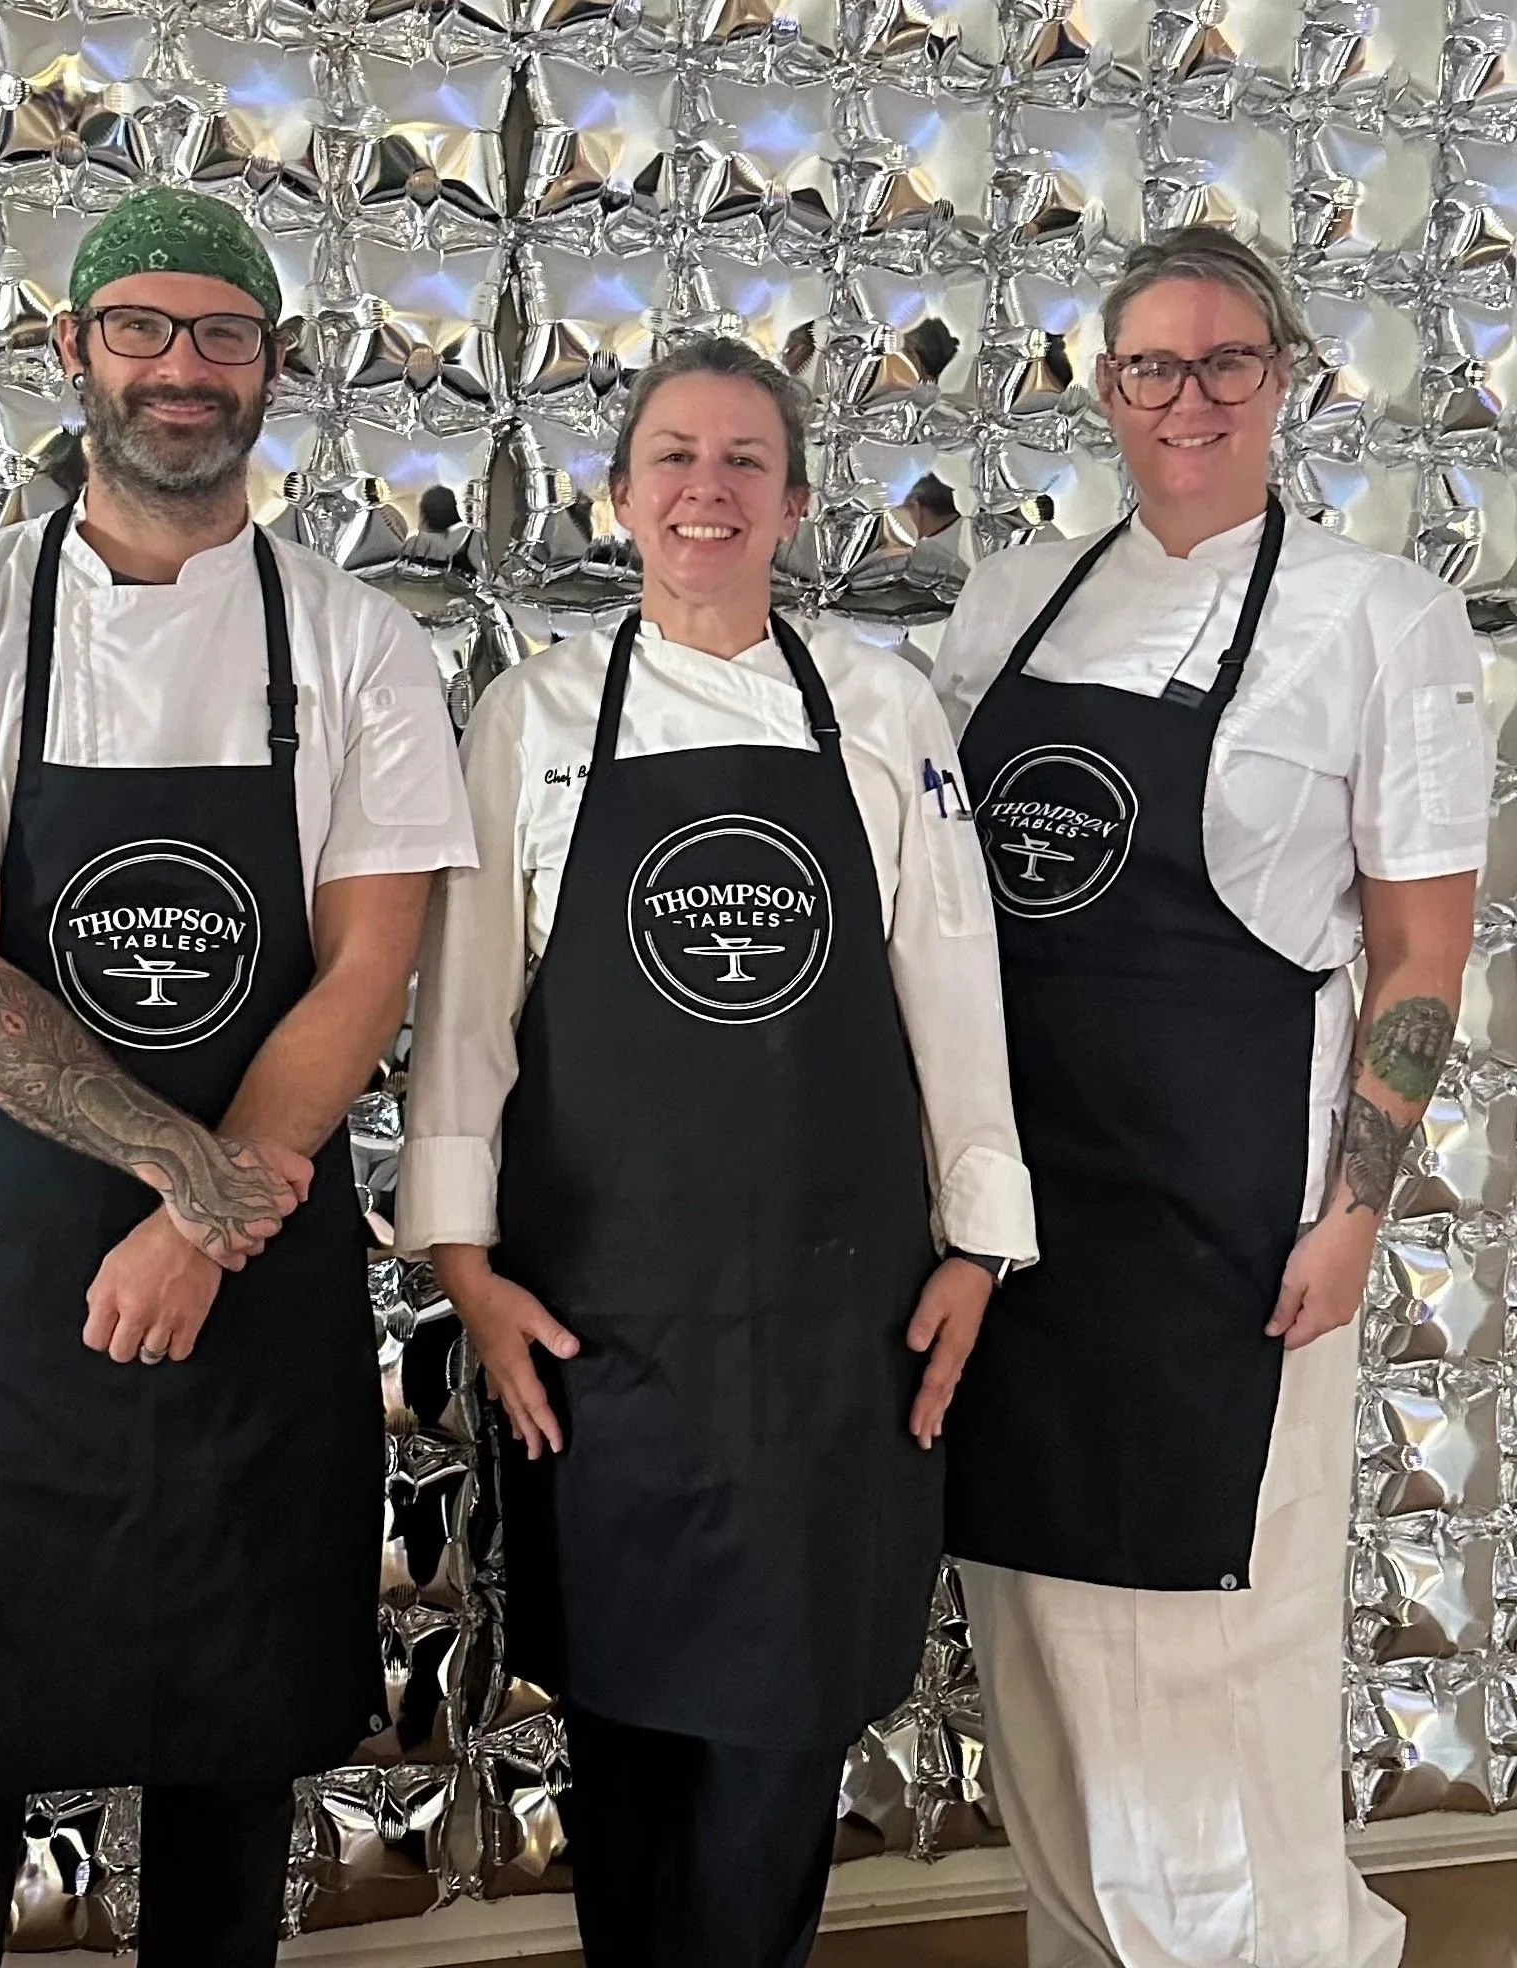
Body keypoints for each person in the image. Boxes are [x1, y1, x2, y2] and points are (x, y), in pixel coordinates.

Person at [0, 185, 477, 1966]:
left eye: (225, 335)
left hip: (253, 1288)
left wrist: (208, 1217)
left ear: (274, 367)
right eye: (145, 330)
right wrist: (188, 1181)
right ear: (74, 352)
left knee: (236, 1752)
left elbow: (368, 967)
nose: (185, 370)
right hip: (22, 1280)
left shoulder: (354, 642)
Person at [397, 336, 1038, 1968]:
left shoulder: (882, 713)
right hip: (605, 1310)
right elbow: (470, 1013)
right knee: (623, 1708)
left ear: (797, 505)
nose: (708, 489)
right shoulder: (532, 719)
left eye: (745, 461)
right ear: (620, 500)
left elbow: (953, 985)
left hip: (839, 1316)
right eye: (674, 457)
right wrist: (465, 1270)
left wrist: (978, 1247)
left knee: (783, 1716)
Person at [934, 225, 1489, 1968]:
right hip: (1020, 1219)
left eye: (1229, 363)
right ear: (1107, 389)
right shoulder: (1015, 598)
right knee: (1038, 1644)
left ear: (1289, 377)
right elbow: (941, 907)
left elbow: (1417, 950)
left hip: (1230, 1226)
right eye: (1153, 367)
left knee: (1212, 1658)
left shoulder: (1378, 616)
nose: (1191, 399)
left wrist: (1358, 1214)